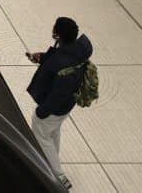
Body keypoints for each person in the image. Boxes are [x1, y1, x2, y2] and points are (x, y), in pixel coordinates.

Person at [26, 17, 93, 190]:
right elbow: (56, 61)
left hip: (54, 107)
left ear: (58, 34)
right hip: (66, 105)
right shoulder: (76, 50)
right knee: (52, 132)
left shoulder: (62, 63)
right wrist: (41, 57)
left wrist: (42, 111)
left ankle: (58, 175)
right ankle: (53, 162)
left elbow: (58, 92)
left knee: (41, 134)